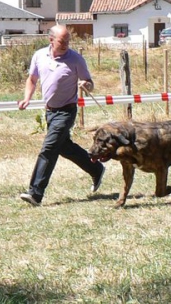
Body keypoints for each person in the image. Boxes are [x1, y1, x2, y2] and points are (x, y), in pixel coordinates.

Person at [18, 24, 105, 206]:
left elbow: (90, 83)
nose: (66, 44)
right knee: (64, 147)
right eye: (62, 41)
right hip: (50, 111)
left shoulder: (76, 59)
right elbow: (32, 79)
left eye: (68, 40)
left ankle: (35, 193)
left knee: (48, 148)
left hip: (67, 111)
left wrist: (86, 85)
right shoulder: (39, 56)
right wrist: (26, 98)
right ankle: (96, 169)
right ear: (51, 40)